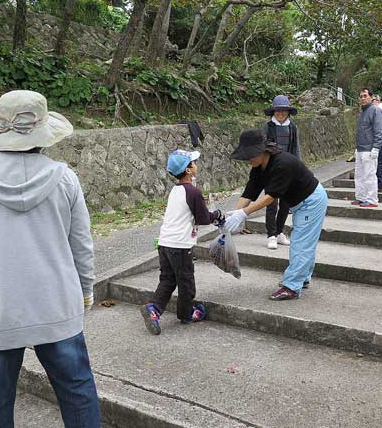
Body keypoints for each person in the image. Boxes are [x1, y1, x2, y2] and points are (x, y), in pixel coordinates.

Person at [0, 90, 101, 427]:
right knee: (78, 393)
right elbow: (82, 247)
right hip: (56, 306)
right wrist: (85, 291)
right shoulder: (64, 178)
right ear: (44, 135)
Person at [223, 129, 328, 300]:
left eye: (251, 154)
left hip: (311, 201)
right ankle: (303, 278)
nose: (248, 159)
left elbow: (269, 198)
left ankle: (292, 286)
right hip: (300, 202)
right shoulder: (258, 167)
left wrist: (243, 214)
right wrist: (234, 214)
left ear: (263, 150)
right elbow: (249, 193)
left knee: (301, 243)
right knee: (305, 241)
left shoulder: (282, 163)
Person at [140, 150, 224, 335]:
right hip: (180, 246)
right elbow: (203, 218)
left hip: (165, 243)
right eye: (194, 163)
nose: (196, 165)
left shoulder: (176, 190)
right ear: (188, 170)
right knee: (186, 281)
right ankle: (187, 313)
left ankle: (154, 309)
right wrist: (217, 215)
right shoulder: (193, 191)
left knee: (168, 280)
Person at [262, 95, 301, 250]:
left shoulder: (293, 127)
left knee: (285, 204)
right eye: (278, 111)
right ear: (274, 111)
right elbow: (262, 150)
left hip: (288, 170)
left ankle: (279, 232)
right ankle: (270, 235)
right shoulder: (267, 127)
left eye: (284, 111)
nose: (281, 113)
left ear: (288, 112)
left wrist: (298, 168)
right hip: (271, 170)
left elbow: (296, 149)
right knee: (271, 204)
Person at [353, 89, 382, 206]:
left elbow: (379, 131)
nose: (362, 98)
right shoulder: (362, 112)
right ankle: (361, 197)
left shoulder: (375, 110)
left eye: (365, 96)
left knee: (369, 175)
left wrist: (376, 147)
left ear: (371, 97)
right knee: (359, 175)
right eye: (360, 96)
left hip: (370, 149)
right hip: (360, 148)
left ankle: (372, 199)